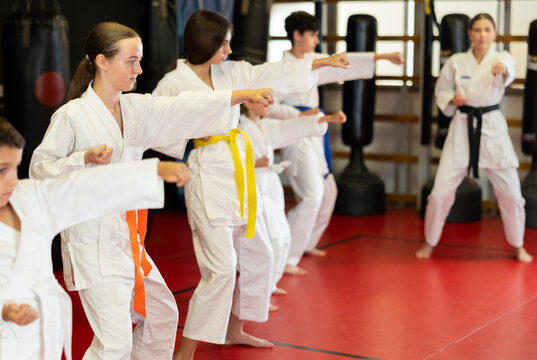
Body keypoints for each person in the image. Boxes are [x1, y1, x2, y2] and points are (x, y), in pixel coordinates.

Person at [29, 22, 274, 360]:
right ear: (102, 61)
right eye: (131, 61)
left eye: (140, 60)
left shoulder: (134, 109)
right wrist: (81, 157)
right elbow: (39, 171)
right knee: (114, 345)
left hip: (129, 241)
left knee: (161, 316)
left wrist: (242, 95)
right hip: (93, 244)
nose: (139, 69)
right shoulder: (72, 115)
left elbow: (182, 107)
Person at [152, 9, 351, 360]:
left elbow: (267, 73)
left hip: (238, 172)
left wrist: (320, 63)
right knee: (222, 269)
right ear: (205, 43)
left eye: (229, 44)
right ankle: (185, 350)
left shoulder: (228, 71)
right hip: (207, 172)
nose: (229, 51)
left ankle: (234, 329)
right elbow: (158, 124)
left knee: (260, 253)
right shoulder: (173, 82)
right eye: (223, 44)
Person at [0, 118, 192, 360]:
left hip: (41, 332)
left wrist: (151, 171)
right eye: (2, 170)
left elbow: (87, 187)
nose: (13, 181)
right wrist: (4, 309)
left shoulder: (28, 197)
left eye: (15, 169)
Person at [269, 11, 405, 275]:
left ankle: (305, 242)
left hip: (316, 131)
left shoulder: (313, 62)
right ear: (297, 35)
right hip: (295, 133)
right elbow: (266, 107)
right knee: (312, 196)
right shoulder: (279, 68)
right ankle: (285, 255)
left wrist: (384, 56)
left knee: (329, 192)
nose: (317, 40)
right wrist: (297, 113)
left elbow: (347, 62)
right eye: (312, 35)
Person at [415, 13, 532, 263]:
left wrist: (503, 71)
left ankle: (518, 245)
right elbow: (441, 90)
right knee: (439, 194)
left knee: (512, 195)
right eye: (477, 30)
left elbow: (509, 72)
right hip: (461, 127)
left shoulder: (502, 58)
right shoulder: (457, 61)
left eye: (487, 30)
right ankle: (429, 241)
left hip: (492, 129)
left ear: (494, 33)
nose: (482, 35)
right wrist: (450, 100)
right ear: (469, 33)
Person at [238, 101, 346, 296]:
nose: (269, 103)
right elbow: (230, 160)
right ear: (248, 102)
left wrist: (327, 118)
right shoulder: (240, 129)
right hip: (253, 192)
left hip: (270, 189)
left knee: (282, 238)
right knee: (264, 244)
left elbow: (289, 127)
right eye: (263, 99)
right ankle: (256, 294)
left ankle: (268, 286)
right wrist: (253, 164)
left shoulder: (265, 125)